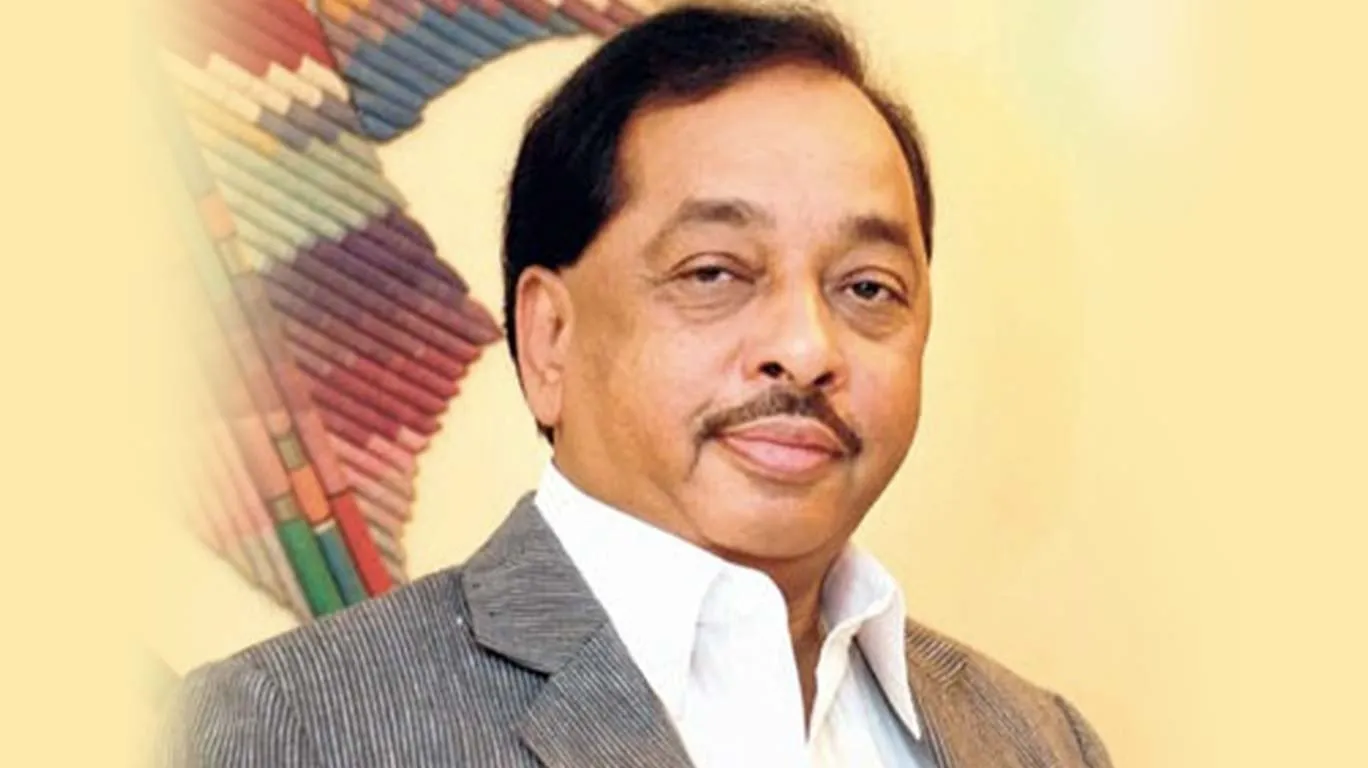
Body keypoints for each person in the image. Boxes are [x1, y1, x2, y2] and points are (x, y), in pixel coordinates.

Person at [161, 4, 1112, 766]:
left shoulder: (1038, 741)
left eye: (867, 288)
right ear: (549, 338)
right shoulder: (283, 729)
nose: (805, 347)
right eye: (715, 272)